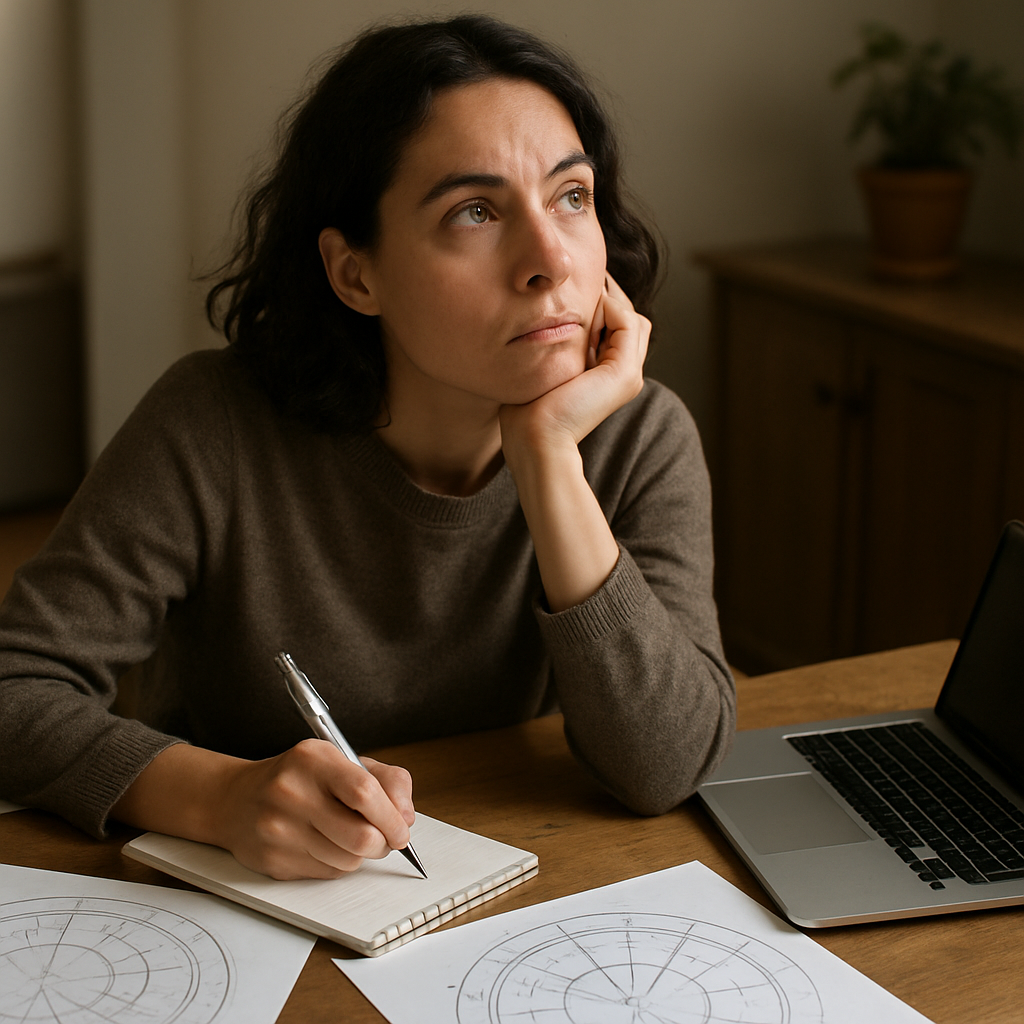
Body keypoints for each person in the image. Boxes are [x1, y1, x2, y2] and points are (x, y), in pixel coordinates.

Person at [0, 15, 735, 881]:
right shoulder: (213, 425)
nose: (549, 260)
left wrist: (546, 461)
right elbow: (16, 687)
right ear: (357, 275)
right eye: (474, 211)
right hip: (244, 898)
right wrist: (217, 797)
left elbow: (669, 765)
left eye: (572, 197)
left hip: (516, 888)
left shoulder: (641, 437)